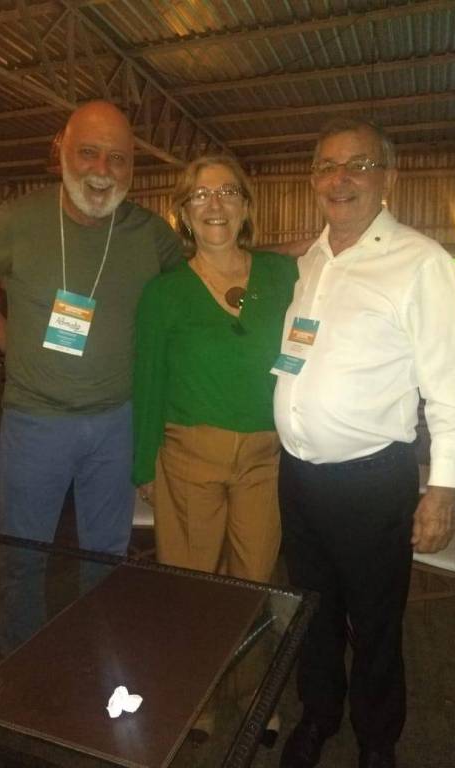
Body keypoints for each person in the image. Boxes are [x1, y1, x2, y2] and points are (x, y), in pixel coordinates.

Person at [273, 118, 455, 768]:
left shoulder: (420, 262)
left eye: (358, 165)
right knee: (312, 611)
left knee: (375, 620)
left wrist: (442, 489)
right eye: (327, 166)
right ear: (313, 179)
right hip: (298, 476)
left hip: (371, 481)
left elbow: (450, 385)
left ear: (388, 176)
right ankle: (318, 715)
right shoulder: (310, 261)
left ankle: (376, 738)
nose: (341, 179)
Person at [0, 100, 183, 555]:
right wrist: (3, 335)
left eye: (117, 158)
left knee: (106, 556)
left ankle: (99, 607)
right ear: (63, 154)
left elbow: (206, 275)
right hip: (36, 422)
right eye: (88, 152)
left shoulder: (149, 233)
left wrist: (285, 258)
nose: (102, 170)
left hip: (117, 423)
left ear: (132, 167)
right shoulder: (19, 219)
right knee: (23, 555)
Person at [133, 154, 297, 741]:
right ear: (183, 212)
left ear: (247, 206)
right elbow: (148, 381)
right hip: (186, 457)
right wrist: (143, 466)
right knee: (191, 585)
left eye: (228, 192)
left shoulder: (282, 275)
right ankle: (194, 700)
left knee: (254, 584)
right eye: (200, 195)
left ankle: (255, 696)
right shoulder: (165, 293)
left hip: (264, 459)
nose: (215, 205)